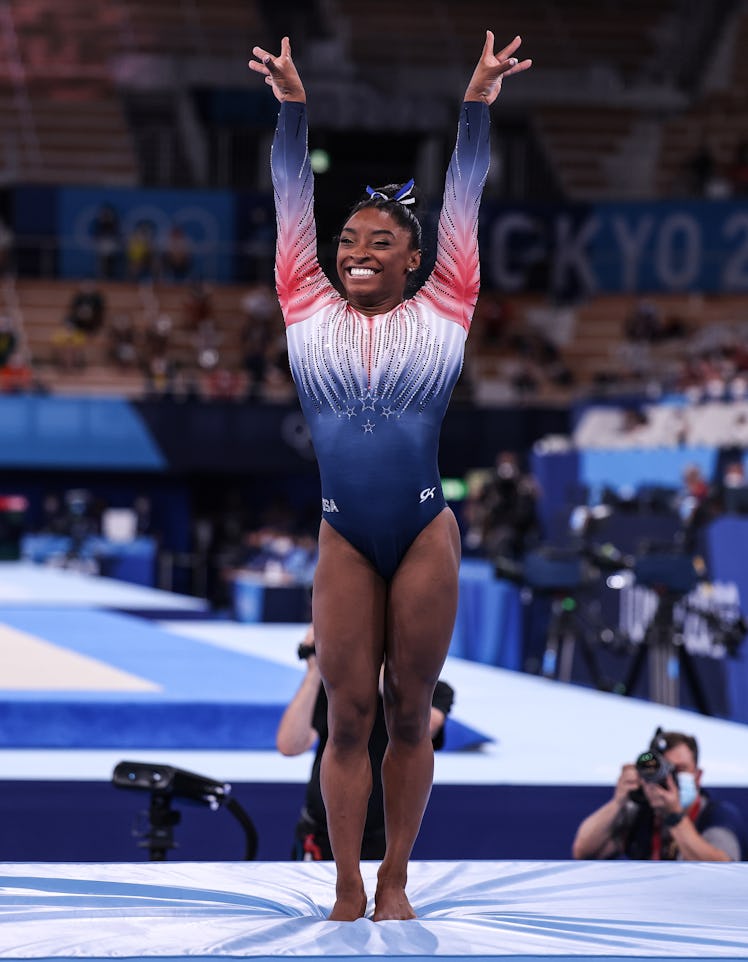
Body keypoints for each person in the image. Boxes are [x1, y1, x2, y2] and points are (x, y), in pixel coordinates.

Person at [249, 32, 531, 920]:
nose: (357, 249)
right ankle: (341, 883)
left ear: (414, 259)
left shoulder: (449, 299)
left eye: (379, 241)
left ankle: (396, 879)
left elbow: (465, 198)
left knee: (410, 713)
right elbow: (290, 192)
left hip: (420, 531)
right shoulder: (302, 293)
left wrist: (476, 104)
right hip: (342, 532)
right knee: (347, 718)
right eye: (348, 238)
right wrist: (293, 107)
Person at [278, 625, 454, 862]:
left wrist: (368, 661)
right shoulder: (335, 689)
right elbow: (290, 745)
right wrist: (315, 671)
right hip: (321, 832)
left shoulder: (431, 691)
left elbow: (425, 726)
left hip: (382, 837)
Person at [571, 729, 747, 862]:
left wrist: (674, 816)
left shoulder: (716, 814)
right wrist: (618, 801)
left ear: (698, 775)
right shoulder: (641, 812)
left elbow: (723, 870)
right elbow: (583, 852)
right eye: (666, 771)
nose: (671, 778)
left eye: (680, 769)